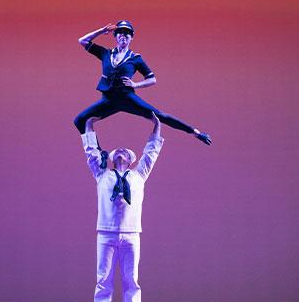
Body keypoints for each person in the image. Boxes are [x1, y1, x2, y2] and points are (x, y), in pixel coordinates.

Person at [74, 20, 212, 145]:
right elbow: (83, 41)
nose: (123, 35)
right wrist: (100, 31)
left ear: (131, 38)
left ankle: (196, 133)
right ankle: (98, 151)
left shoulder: (135, 59)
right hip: (108, 101)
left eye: (127, 34)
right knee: (80, 120)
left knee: (160, 116)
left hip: (128, 98)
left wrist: (135, 85)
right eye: (120, 33)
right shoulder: (105, 53)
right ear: (115, 36)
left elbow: (152, 79)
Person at [82, 112, 164, 302]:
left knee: (132, 280)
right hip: (106, 233)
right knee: (103, 280)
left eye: (125, 152)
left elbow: (151, 154)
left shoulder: (138, 176)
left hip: (131, 233)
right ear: (111, 158)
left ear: (130, 160)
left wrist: (156, 126)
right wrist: (89, 126)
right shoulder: (103, 174)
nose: (121, 151)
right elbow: (92, 153)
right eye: (118, 150)